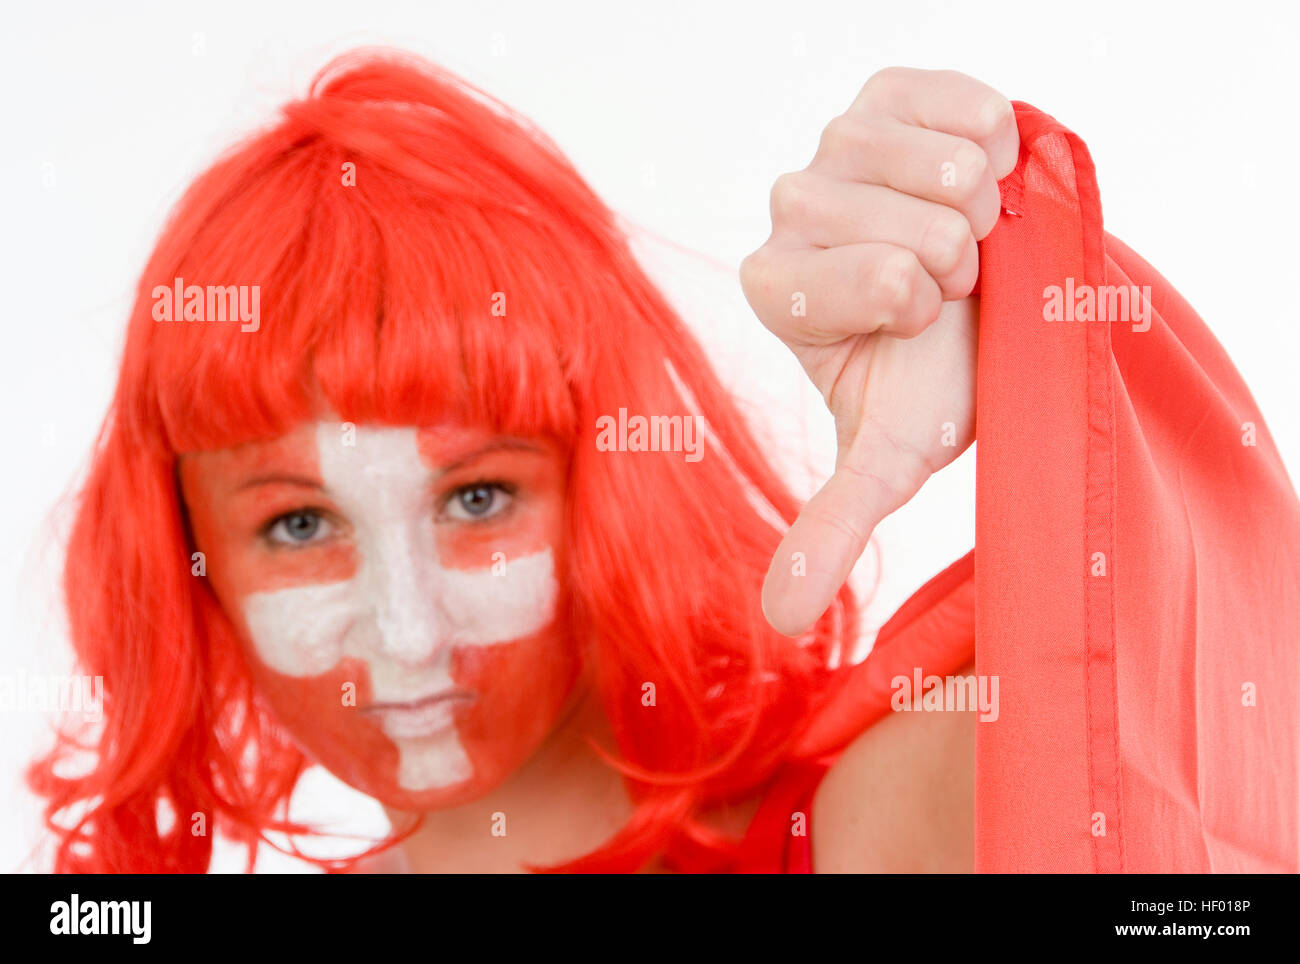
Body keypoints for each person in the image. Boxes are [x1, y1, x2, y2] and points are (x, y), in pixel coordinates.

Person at [27, 51, 1298, 874]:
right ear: (183, 545)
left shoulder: (861, 818)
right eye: (300, 525)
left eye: (478, 496)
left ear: (602, 485)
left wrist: (1036, 340)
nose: (405, 633)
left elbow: (1193, 818)